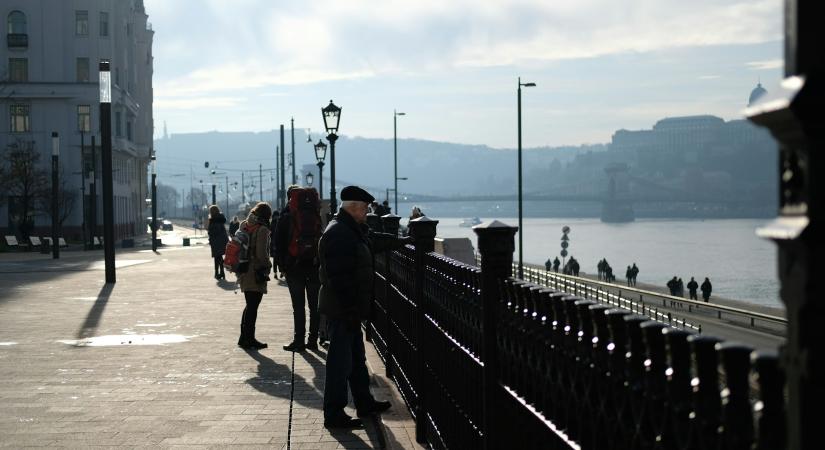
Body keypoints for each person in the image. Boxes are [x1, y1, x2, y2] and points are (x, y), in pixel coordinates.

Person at [319, 185, 412, 429]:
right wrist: (350, 309)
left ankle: (364, 402)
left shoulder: (351, 229)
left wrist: (402, 241)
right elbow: (339, 277)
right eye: (365, 209)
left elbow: (372, 242)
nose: (367, 212)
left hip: (349, 309)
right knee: (340, 363)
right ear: (354, 208)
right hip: (343, 309)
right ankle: (334, 413)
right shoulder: (339, 234)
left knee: (357, 359)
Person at [275, 186, 323, 352]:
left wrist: (282, 265)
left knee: (298, 306)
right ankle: (313, 340)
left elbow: (278, 244)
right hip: (314, 265)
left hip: (294, 267)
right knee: (314, 306)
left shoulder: (287, 216)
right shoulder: (315, 214)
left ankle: (298, 340)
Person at [236, 202, 273, 350]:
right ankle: (249, 338)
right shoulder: (262, 229)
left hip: (243, 269)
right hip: (255, 271)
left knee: (249, 304)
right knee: (253, 306)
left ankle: (243, 337)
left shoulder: (244, 224)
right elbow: (261, 255)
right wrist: (268, 265)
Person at [207, 205, 229, 280]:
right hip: (223, 240)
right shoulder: (220, 218)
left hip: (216, 241)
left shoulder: (214, 220)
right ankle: (220, 272)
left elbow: (214, 231)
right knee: (218, 257)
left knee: (217, 257)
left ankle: (218, 272)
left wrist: (210, 234)